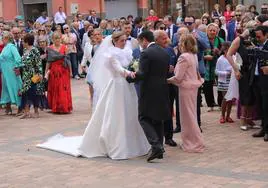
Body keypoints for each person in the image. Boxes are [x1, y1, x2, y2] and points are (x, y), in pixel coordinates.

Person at [38, 31, 150, 160]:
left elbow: (130, 64)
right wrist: (131, 73)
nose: (124, 43)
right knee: (117, 113)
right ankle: (116, 143)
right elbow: (119, 69)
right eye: (121, 41)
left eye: (125, 40)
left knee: (130, 112)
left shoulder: (127, 52)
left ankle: (134, 142)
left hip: (127, 87)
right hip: (117, 85)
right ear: (114, 41)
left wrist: (134, 70)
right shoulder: (110, 54)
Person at [127, 30, 171, 162]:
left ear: (145, 40)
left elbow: (143, 74)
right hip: (162, 89)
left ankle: (156, 145)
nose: (141, 45)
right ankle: (160, 148)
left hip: (149, 90)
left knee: (143, 117)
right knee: (158, 119)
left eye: (141, 42)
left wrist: (130, 77)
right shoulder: (164, 52)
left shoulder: (146, 53)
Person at [167, 34, 204, 153]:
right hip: (193, 87)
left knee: (187, 117)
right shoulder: (193, 55)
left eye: (180, 42)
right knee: (191, 114)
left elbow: (178, 77)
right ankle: (193, 140)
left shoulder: (183, 57)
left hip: (186, 89)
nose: (178, 44)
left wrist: (166, 80)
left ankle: (193, 142)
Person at [46, 32, 73, 114]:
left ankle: (64, 106)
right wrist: (46, 72)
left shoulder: (65, 47)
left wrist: (71, 72)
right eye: (55, 38)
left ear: (61, 38)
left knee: (63, 88)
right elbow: (48, 61)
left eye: (58, 38)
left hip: (63, 70)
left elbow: (68, 61)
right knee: (55, 88)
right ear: (52, 39)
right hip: (54, 71)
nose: (57, 40)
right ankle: (56, 107)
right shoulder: (50, 48)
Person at [19, 33, 43, 119]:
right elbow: (23, 62)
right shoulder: (25, 51)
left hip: (33, 75)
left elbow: (38, 63)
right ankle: (26, 112)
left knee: (33, 93)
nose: (22, 42)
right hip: (25, 75)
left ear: (27, 41)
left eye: (23, 41)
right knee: (25, 93)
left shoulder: (34, 50)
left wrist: (39, 74)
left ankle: (36, 111)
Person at [0, 31, 23, 114]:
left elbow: (18, 58)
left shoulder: (11, 47)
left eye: (3, 37)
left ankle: (20, 107)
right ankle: (8, 107)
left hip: (11, 71)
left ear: (6, 38)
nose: (2, 39)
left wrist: (17, 67)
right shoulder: (5, 48)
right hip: (5, 72)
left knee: (15, 88)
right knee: (6, 89)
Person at [215, 42, 234, 124]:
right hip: (223, 81)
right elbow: (216, 71)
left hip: (232, 80)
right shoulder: (220, 59)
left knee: (231, 99)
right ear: (224, 50)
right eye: (226, 50)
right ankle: (222, 115)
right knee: (225, 98)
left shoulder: (234, 57)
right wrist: (226, 73)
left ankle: (228, 116)